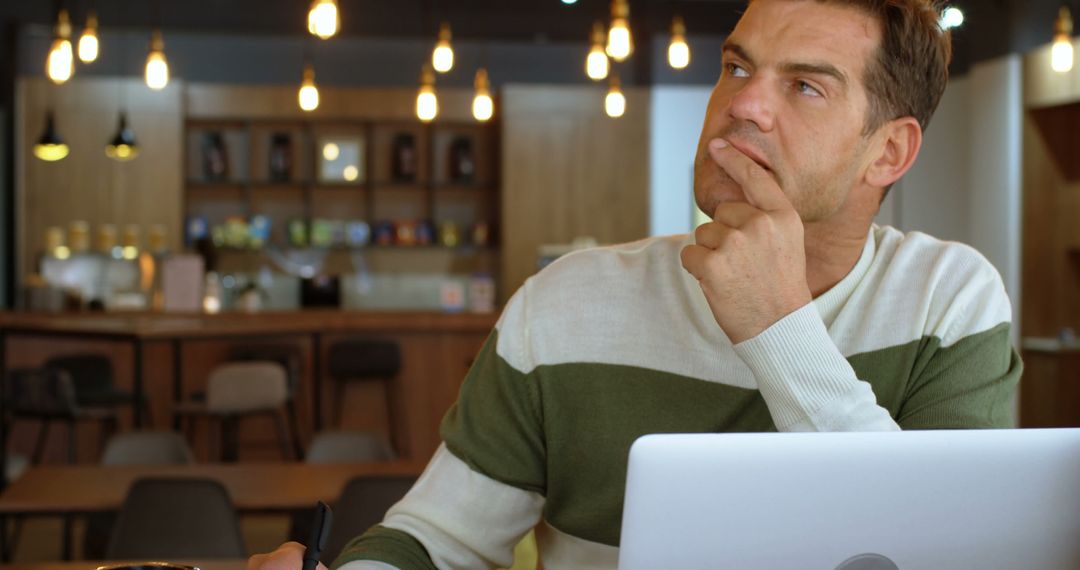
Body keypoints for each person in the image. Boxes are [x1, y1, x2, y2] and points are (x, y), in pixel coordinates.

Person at [249, 0, 1021, 568]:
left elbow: (943, 555)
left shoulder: (946, 301)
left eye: (805, 87)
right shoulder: (564, 304)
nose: (742, 104)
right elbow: (436, 539)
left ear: (887, 153)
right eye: (737, 67)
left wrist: (778, 331)